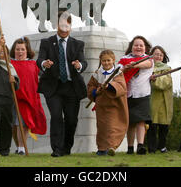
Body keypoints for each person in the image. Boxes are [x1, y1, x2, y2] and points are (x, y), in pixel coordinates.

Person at [36, 11, 88, 157]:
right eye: (61, 24)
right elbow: (39, 60)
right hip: (54, 87)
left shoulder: (78, 44)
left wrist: (79, 66)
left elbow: (84, 62)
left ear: (70, 26)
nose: (63, 28)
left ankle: (66, 147)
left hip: (72, 87)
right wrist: (44, 64)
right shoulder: (46, 42)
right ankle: (57, 149)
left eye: (66, 25)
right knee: (56, 116)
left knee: (71, 120)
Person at [10, 37, 47, 155]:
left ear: (27, 50)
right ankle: (18, 146)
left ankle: (21, 147)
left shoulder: (32, 64)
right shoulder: (9, 64)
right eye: (17, 49)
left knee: (24, 123)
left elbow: (43, 76)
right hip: (12, 97)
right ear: (13, 51)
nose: (20, 52)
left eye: (22, 49)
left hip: (27, 98)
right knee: (14, 124)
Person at [87, 50, 128, 156]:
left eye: (108, 60)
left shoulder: (118, 73)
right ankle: (101, 148)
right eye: (104, 61)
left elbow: (122, 87)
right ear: (100, 61)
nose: (106, 63)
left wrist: (109, 86)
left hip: (114, 105)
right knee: (102, 127)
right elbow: (90, 87)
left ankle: (111, 147)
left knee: (112, 127)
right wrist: (95, 91)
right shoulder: (97, 74)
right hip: (102, 105)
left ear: (113, 60)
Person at [118, 36, 153, 155]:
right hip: (128, 94)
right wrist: (125, 68)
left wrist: (134, 65)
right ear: (131, 47)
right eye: (136, 45)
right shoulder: (124, 59)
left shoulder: (149, 59)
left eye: (141, 45)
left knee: (141, 121)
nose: (138, 47)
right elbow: (118, 71)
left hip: (143, 93)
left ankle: (140, 145)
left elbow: (147, 65)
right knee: (130, 122)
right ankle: (129, 147)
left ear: (145, 47)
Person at [147, 46, 173, 153]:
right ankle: (152, 148)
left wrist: (155, 79)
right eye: (156, 54)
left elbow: (166, 83)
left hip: (165, 100)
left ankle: (162, 146)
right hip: (152, 99)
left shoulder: (167, 68)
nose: (158, 56)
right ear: (151, 55)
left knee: (164, 126)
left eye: (160, 55)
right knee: (151, 125)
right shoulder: (147, 68)